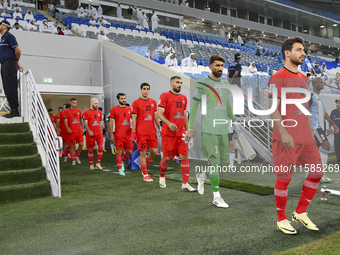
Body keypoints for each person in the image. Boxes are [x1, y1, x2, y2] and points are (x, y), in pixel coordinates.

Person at [269, 37, 324, 235]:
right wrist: (283, 132)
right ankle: (281, 219)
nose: (303, 53)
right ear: (287, 53)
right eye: (299, 50)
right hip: (287, 137)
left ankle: (300, 212)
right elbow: (272, 107)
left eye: (304, 50)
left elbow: (305, 109)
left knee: (317, 172)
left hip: (306, 138)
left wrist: (311, 134)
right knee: (284, 178)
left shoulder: (302, 78)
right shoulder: (278, 77)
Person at [187, 54, 238, 208]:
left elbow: (228, 107)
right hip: (209, 130)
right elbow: (195, 106)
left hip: (223, 130)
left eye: (222, 66)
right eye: (217, 65)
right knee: (215, 163)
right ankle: (216, 196)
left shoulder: (225, 85)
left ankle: (201, 176)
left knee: (222, 164)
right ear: (210, 67)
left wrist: (235, 122)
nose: (220, 68)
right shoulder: (202, 83)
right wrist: (190, 127)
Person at [157, 76, 196, 191]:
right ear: (171, 84)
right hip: (168, 134)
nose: (179, 85)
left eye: (181, 83)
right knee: (166, 158)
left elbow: (184, 115)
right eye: (177, 82)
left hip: (181, 134)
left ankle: (185, 184)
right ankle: (162, 176)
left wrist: (188, 129)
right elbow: (159, 113)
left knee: (184, 157)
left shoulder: (184, 98)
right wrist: (169, 124)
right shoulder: (164, 96)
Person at [309, 77, 339, 182]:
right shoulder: (311, 96)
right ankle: (320, 173)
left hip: (320, 127)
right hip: (314, 128)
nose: (323, 84)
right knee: (326, 145)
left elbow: (324, 113)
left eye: (322, 82)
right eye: (320, 82)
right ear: (314, 84)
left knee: (316, 152)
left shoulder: (321, 97)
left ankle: (312, 173)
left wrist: (333, 124)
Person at [131, 83, 161, 182]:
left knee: (154, 152)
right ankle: (145, 174)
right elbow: (134, 118)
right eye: (144, 89)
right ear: (140, 90)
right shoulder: (136, 103)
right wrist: (133, 132)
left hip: (152, 132)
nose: (146, 91)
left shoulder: (153, 102)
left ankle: (142, 165)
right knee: (143, 153)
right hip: (141, 133)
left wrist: (159, 127)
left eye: (147, 89)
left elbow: (156, 117)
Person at [0, 20, 23, 118]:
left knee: (11, 86)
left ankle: (15, 110)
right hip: (4, 63)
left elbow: (17, 50)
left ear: (5, 26)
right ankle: (12, 108)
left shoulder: (9, 36)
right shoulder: (3, 38)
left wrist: (16, 62)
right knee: (6, 87)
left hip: (9, 63)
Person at [109, 93, 133, 176]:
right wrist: (111, 134)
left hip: (128, 134)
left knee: (130, 151)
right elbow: (111, 123)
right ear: (118, 100)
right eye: (122, 98)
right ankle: (120, 170)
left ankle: (122, 161)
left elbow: (134, 120)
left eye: (124, 98)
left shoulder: (129, 108)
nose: (124, 100)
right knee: (119, 151)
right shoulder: (113, 109)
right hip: (118, 134)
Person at [83, 98, 104, 170]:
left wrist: (101, 132)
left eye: (97, 103)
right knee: (91, 150)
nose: (97, 105)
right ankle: (91, 164)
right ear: (91, 103)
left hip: (99, 134)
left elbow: (101, 123)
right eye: (95, 103)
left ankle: (98, 163)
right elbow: (85, 123)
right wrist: (89, 131)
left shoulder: (99, 112)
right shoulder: (86, 112)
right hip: (90, 134)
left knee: (100, 148)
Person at [64, 98, 84, 166]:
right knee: (72, 146)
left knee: (81, 144)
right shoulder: (67, 111)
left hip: (78, 131)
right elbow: (65, 120)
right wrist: (68, 128)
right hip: (71, 132)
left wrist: (82, 128)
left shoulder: (79, 110)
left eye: (75, 103)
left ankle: (77, 157)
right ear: (70, 103)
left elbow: (81, 119)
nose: (75, 104)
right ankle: (73, 160)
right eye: (73, 103)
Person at [330, 99, 340, 167]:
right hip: (337, 133)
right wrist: (330, 128)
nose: (337, 104)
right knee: (337, 147)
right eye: (337, 103)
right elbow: (330, 120)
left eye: (339, 103)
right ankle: (338, 163)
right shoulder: (333, 112)